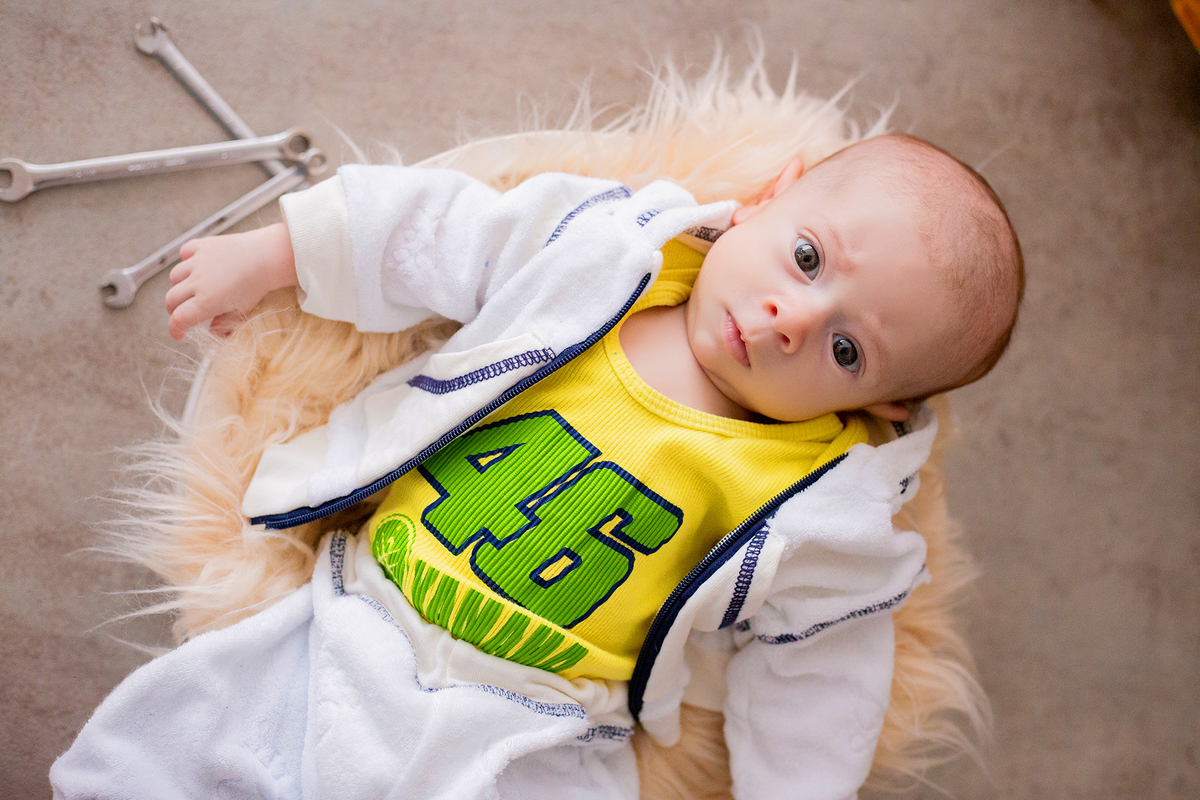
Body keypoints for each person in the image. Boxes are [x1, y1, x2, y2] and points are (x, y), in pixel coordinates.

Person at [52, 133, 1022, 800]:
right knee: (173, 742)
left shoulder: (823, 505)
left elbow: (825, 675)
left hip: (541, 728)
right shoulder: (605, 246)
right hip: (361, 615)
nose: (789, 320)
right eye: (807, 258)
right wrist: (284, 252)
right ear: (773, 195)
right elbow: (444, 231)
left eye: (847, 350)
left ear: (884, 405)